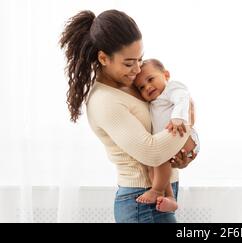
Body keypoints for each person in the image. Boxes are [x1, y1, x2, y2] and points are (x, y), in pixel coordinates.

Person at [59, 9, 197, 223]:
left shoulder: (134, 83)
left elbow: (159, 126)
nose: (137, 69)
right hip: (139, 199)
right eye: (128, 62)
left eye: (140, 59)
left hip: (161, 194)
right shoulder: (104, 100)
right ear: (103, 58)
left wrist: (179, 157)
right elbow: (151, 152)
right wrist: (187, 119)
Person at [133, 59, 200, 212]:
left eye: (150, 79)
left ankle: (157, 190)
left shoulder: (172, 88)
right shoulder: (153, 101)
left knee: (159, 157)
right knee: (151, 164)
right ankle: (168, 196)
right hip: (172, 146)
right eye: (141, 87)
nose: (148, 87)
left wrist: (177, 117)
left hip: (186, 138)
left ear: (166, 75)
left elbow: (182, 98)